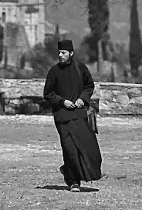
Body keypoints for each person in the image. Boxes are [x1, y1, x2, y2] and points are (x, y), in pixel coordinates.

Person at [43, 39, 102, 192]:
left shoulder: (80, 69)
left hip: (80, 115)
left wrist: (83, 98)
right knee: (70, 150)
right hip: (63, 116)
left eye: (63, 53)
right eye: (59, 53)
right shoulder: (54, 72)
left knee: (89, 149)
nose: (60, 55)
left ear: (71, 53)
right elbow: (48, 93)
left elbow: (90, 85)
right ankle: (73, 181)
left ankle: (73, 171)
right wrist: (62, 102)